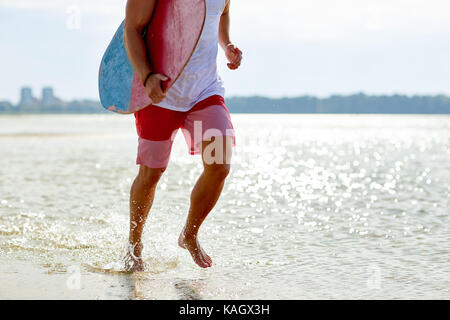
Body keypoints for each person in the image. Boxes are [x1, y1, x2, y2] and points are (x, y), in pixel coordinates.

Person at [123, 0, 242, 271]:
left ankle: (189, 234)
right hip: (160, 93)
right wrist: (146, 75)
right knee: (151, 174)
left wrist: (227, 45)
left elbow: (221, 13)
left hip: (204, 91)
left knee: (219, 164)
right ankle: (134, 245)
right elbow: (131, 29)